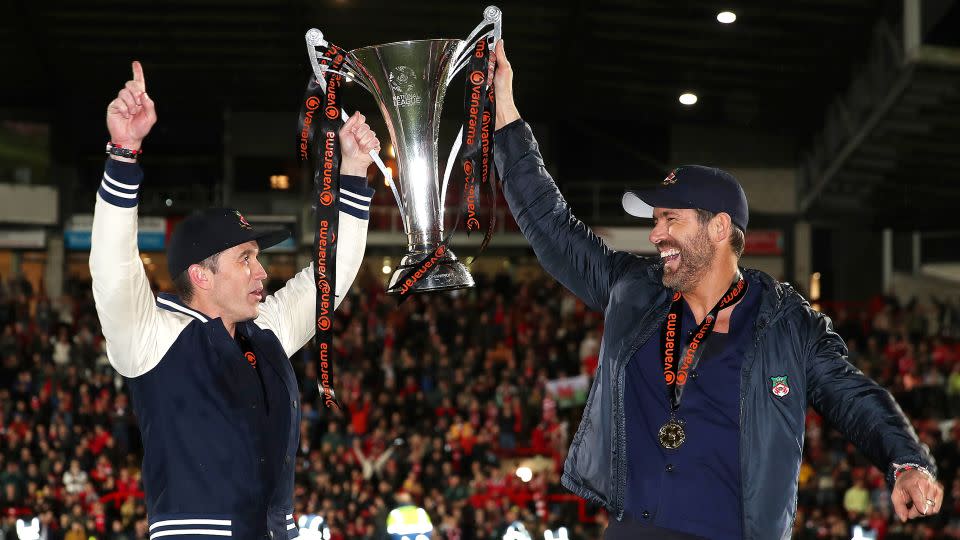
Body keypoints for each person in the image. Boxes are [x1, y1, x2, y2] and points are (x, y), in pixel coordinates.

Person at [488, 42, 943, 539]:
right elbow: (551, 227)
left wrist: (905, 462)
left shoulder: (789, 326)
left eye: (670, 219)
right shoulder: (635, 291)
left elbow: (856, 399)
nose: (656, 234)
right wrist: (505, 107)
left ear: (719, 228)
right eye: (656, 220)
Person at [90, 62, 380, 539]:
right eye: (245, 258)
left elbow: (333, 276)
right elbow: (112, 268)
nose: (262, 271)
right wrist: (124, 153)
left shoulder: (266, 329)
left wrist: (351, 168)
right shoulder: (150, 336)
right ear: (201, 275)